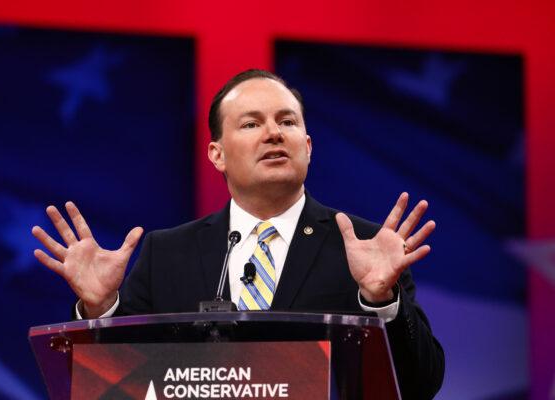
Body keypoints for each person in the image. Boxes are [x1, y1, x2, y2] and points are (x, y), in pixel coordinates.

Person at [32, 69, 444, 399]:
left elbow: (421, 383)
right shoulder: (168, 253)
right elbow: (115, 383)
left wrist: (380, 302)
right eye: (251, 124)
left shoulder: (366, 247)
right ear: (218, 154)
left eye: (287, 121)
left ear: (308, 145)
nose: (274, 133)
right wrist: (100, 310)